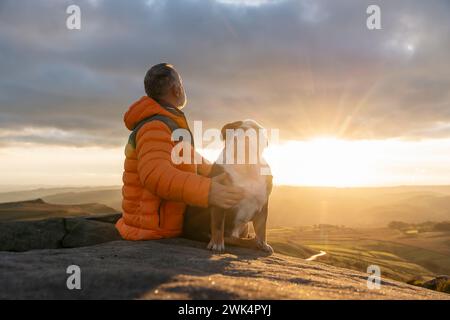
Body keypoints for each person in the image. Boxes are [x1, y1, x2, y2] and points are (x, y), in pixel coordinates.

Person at [116, 63, 244, 240]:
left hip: (166, 221)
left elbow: (193, 160)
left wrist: (227, 173)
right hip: (153, 228)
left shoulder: (169, 124)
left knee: (233, 191)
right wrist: (208, 190)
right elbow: (155, 174)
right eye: (182, 84)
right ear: (177, 89)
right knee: (230, 212)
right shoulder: (154, 127)